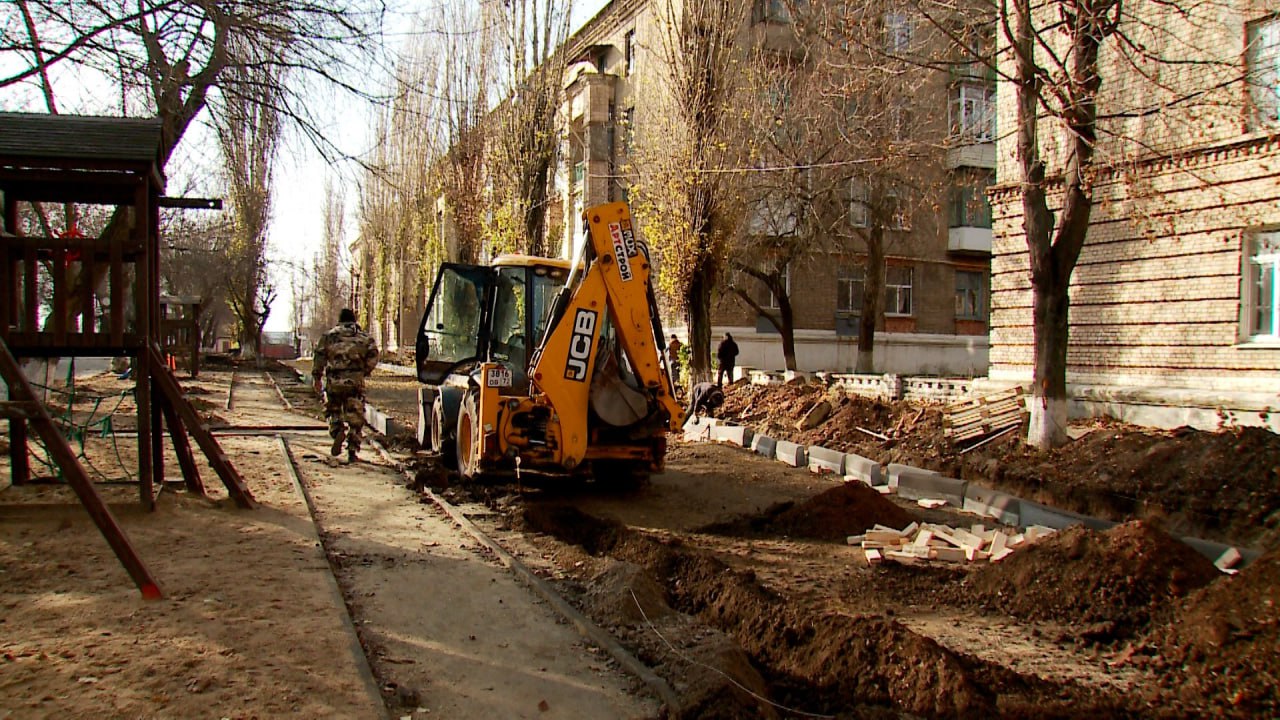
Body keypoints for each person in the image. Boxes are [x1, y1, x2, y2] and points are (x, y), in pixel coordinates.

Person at [312, 308, 380, 463]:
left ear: (340, 321)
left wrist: (317, 377)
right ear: (354, 320)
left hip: (334, 381)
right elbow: (373, 355)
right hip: (355, 382)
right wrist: (364, 371)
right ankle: (352, 450)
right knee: (356, 417)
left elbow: (319, 356)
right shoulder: (364, 338)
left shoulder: (329, 336)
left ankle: (337, 431)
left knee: (333, 410)